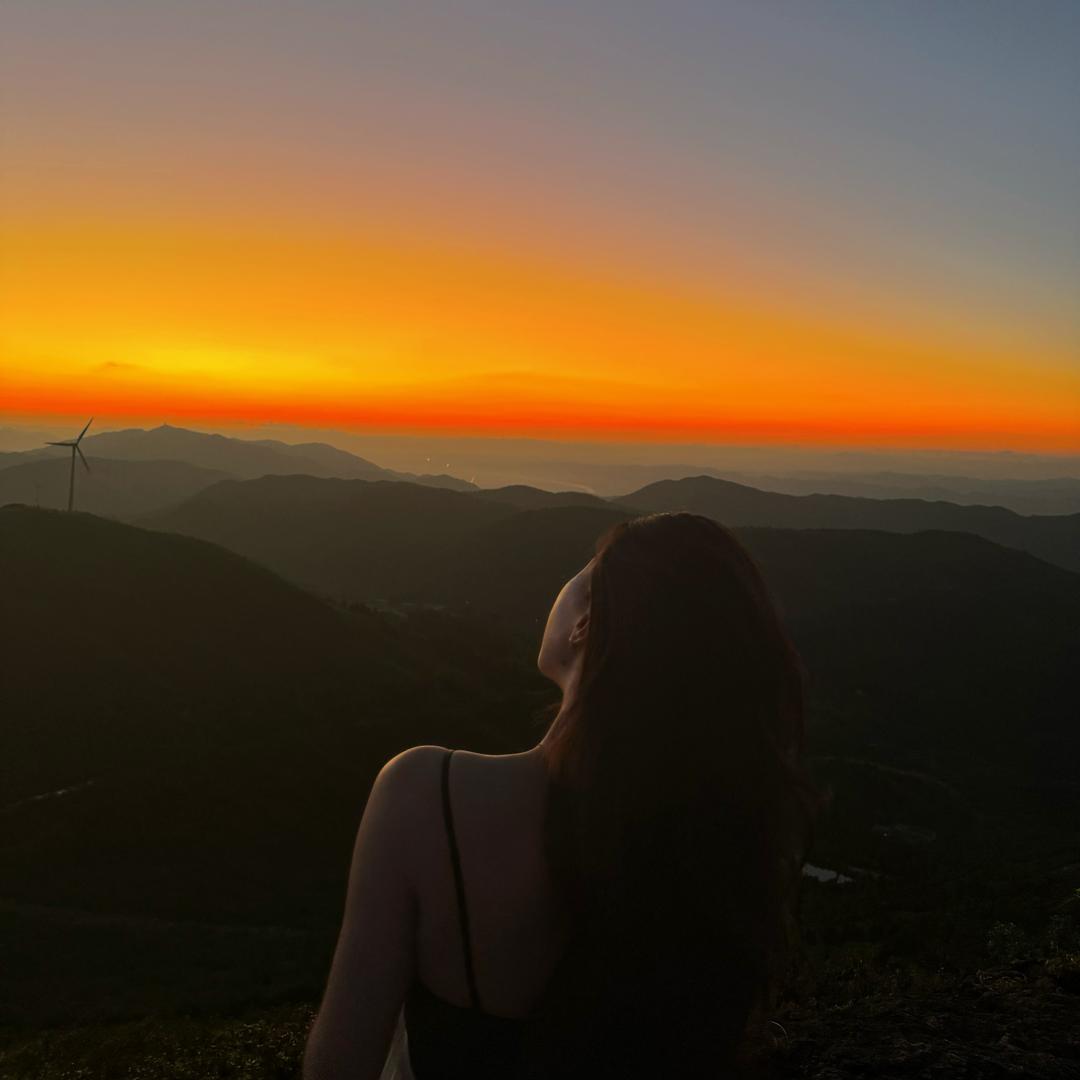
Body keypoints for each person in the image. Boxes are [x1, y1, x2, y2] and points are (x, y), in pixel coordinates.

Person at [303, 511, 821, 1079]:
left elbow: (338, 1065)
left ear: (585, 623)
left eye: (584, 570)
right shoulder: (721, 844)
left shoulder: (426, 793)